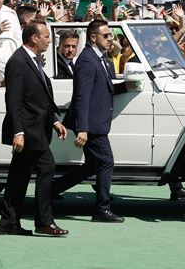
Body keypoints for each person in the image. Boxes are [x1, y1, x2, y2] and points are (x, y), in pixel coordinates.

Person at [0, 21, 69, 237]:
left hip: (37, 128)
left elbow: (40, 98)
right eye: (46, 36)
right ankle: (44, 222)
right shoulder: (18, 62)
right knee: (47, 167)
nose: (50, 40)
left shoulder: (33, 61)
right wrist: (17, 132)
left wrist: (54, 120)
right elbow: (14, 100)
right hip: (28, 132)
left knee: (18, 178)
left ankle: (9, 223)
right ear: (34, 38)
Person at [55, 20, 127, 223]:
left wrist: (127, 87)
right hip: (92, 124)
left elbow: (104, 87)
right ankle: (102, 208)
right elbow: (82, 96)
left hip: (98, 121)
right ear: (94, 37)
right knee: (105, 161)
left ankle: (52, 190)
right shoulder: (87, 60)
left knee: (92, 166)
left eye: (111, 35)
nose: (110, 39)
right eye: (106, 36)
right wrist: (83, 128)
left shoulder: (101, 59)